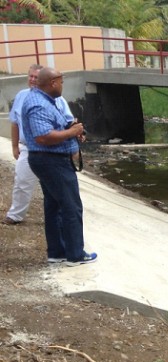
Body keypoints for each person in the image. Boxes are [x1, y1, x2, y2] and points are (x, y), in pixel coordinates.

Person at [21, 67, 97, 266]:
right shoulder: (37, 103)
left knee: (54, 206)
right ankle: (75, 254)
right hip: (51, 161)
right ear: (53, 82)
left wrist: (71, 128)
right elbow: (43, 136)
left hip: (49, 160)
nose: (63, 85)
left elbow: (52, 127)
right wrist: (71, 133)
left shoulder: (47, 101)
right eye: (61, 82)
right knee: (71, 207)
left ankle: (57, 252)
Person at [3, 64, 74, 226]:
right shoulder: (22, 96)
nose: (33, 80)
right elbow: (15, 123)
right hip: (28, 148)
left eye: (37, 77)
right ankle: (15, 215)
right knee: (22, 182)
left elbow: (69, 122)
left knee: (55, 187)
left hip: (52, 149)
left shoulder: (57, 99)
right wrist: (14, 147)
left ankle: (61, 216)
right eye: (31, 77)